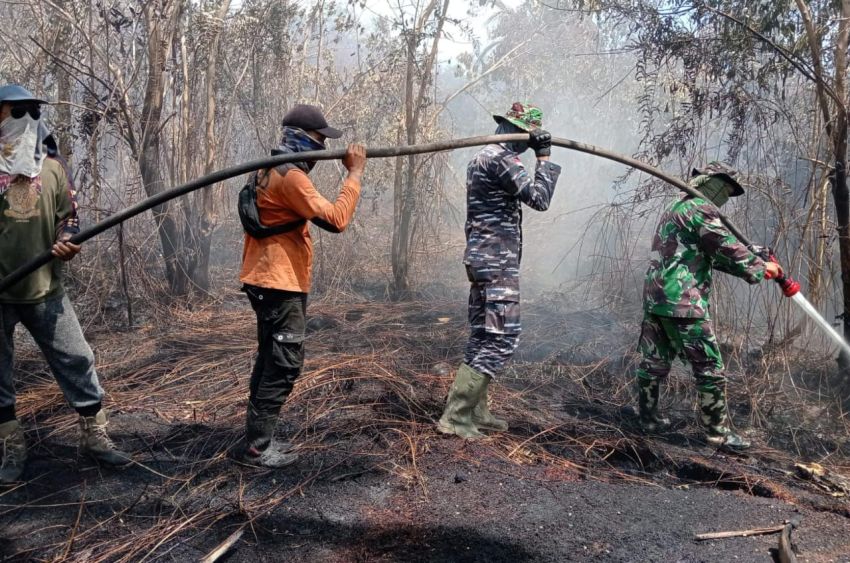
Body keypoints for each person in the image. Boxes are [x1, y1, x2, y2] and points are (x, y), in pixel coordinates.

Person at [0, 84, 131, 484]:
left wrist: (68, 241)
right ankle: (10, 446)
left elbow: (69, 218)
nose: (23, 119)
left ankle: (94, 435)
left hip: (46, 289)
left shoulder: (53, 169)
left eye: (29, 111)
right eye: (13, 111)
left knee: (77, 358)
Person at [238, 104, 366, 467]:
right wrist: (354, 174)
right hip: (279, 282)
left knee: (270, 359)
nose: (323, 147)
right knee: (284, 363)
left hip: (264, 277)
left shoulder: (266, 168)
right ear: (305, 138)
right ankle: (258, 447)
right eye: (320, 140)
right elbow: (337, 219)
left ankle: (257, 438)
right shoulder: (290, 176)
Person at [636, 162, 783, 451]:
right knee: (710, 368)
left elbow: (709, 253)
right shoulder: (701, 210)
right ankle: (718, 434)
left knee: (654, 361)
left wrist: (752, 257)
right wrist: (762, 267)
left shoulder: (678, 207)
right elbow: (727, 247)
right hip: (682, 301)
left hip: (657, 296)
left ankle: (647, 418)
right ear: (712, 182)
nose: (726, 196)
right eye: (726, 189)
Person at [437, 102, 561, 439]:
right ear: (517, 131)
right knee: (502, 336)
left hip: (483, 259)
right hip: (495, 262)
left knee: (483, 333)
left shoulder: (482, 157)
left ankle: (475, 408)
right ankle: (456, 416)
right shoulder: (502, 159)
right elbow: (539, 198)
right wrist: (545, 158)